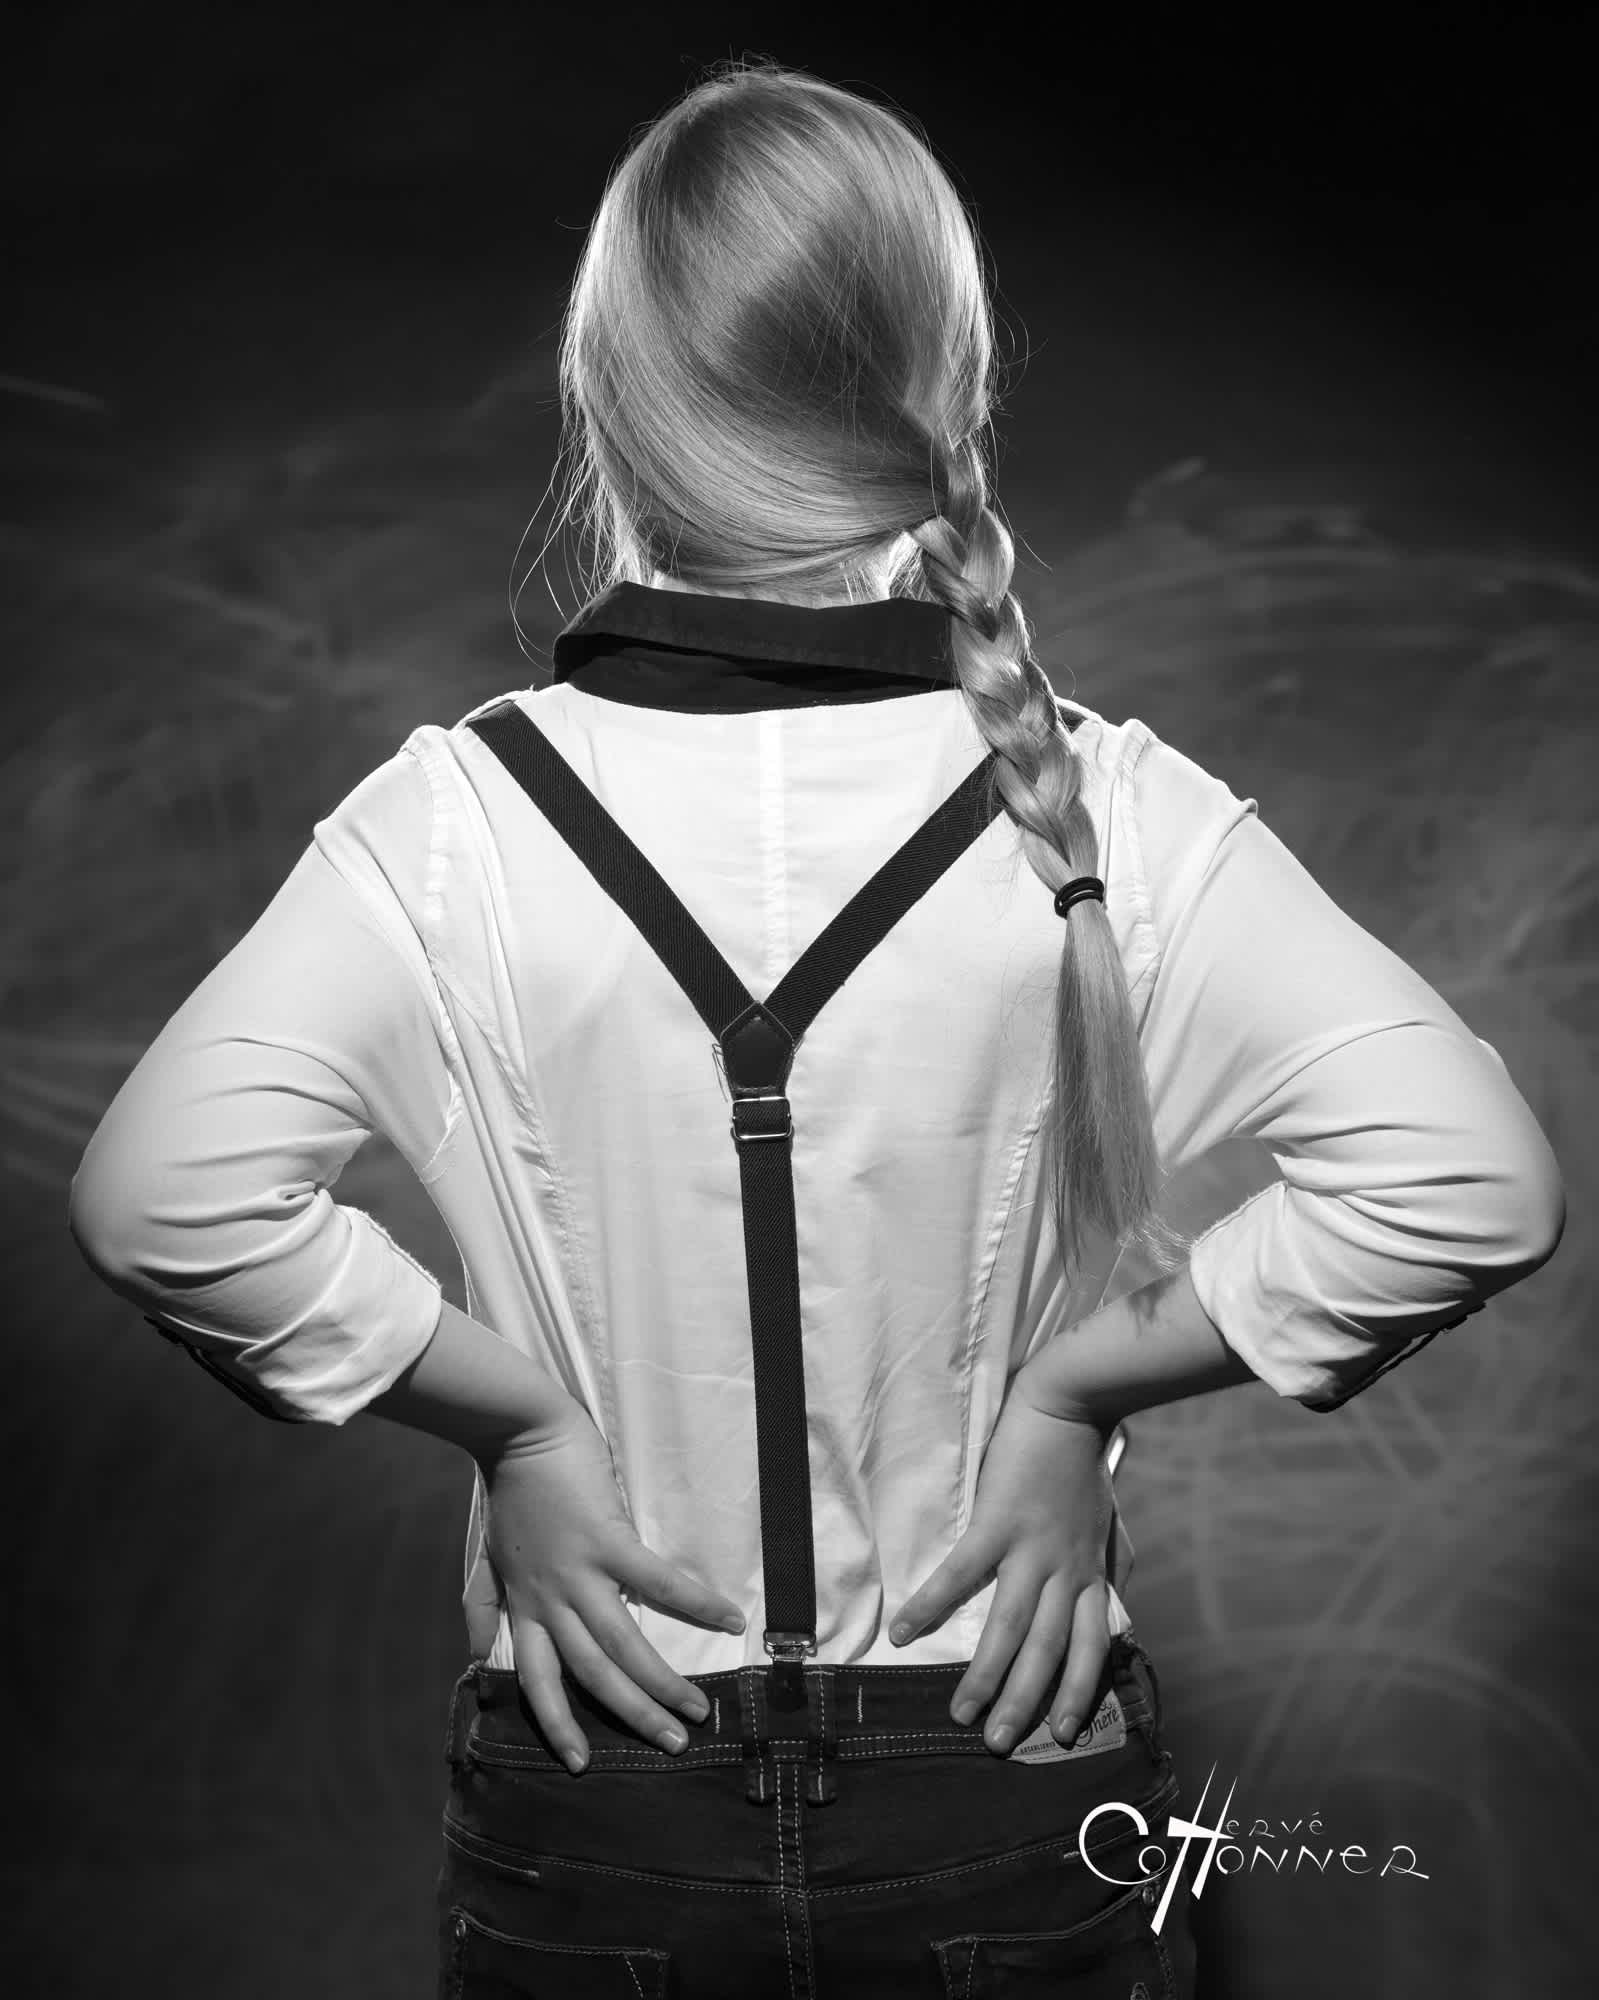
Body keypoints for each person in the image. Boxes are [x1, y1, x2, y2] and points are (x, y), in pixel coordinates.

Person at [67, 57, 1566, 2000]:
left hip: (599, 1781)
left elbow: (161, 1195)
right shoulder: (1106, 810)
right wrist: (1073, 1394)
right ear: (949, 397)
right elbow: (1469, 1180)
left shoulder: (453, 822)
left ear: (608, 407)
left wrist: (517, 1422)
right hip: (1012, 1768)